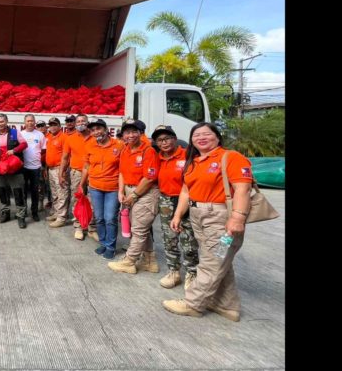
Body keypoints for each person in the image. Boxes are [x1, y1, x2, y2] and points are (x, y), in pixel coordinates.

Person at [162, 122, 253, 322]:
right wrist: (177, 215)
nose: (201, 138)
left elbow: (242, 189)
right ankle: (227, 306)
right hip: (197, 214)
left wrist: (237, 218)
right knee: (219, 260)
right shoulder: (194, 161)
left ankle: (193, 304)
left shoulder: (231, 157)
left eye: (206, 134)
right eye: (197, 135)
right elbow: (186, 191)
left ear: (217, 137)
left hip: (220, 217)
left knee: (213, 261)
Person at [108, 119, 161, 273]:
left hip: (145, 193)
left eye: (133, 132)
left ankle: (129, 261)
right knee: (140, 227)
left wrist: (135, 195)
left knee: (138, 230)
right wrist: (121, 191)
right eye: (127, 132)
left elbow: (150, 177)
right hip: (129, 191)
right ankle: (150, 261)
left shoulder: (148, 151)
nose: (130, 135)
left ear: (140, 133)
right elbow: (122, 173)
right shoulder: (125, 149)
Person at [152, 125, 198, 289]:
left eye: (167, 138)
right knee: (169, 237)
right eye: (159, 140)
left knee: (188, 239)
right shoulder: (158, 157)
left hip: (186, 200)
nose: (163, 143)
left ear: (174, 138)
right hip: (166, 200)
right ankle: (174, 271)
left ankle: (192, 273)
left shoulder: (188, 155)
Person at [79, 119, 122, 260]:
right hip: (95, 187)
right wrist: (82, 184)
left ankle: (110, 246)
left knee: (110, 218)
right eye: (93, 130)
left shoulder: (119, 145)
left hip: (113, 188)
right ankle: (103, 243)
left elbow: (123, 169)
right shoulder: (90, 145)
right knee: (99, 218)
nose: (96, 132)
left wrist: (123, 190)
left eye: (99, 128)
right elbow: (86, 166)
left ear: (106, 129)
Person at [60, 114, 95, 240]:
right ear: (75, 124)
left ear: (87, 122)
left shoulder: (95, 137)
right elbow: (64, 158)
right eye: (78, 121)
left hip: (93, 173)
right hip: (76, 173)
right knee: (78, 199)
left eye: (83, 121)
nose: (80, 123)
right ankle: (78, 226)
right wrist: (61, 174)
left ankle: (92, 227)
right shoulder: (70, 138)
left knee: (92, 200)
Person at [0, 113, 29, 227]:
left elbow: (24, 144)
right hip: (1, 168)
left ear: (6, 121)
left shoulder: (14, 132)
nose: (0, 124)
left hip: (14, 168)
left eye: (2, 121)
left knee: (18, 191)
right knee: (2, 190)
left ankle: (20, 216)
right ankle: (5, 213)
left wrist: (14, 150)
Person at [21, 114, 47, 222]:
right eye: (28, 121)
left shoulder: (40, 135)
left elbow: (44, 150)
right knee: (23, 191)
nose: (30, 123)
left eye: (32, 121)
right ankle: (23, 211)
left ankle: (34, 212)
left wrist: (42, 165)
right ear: (24, 123)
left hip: (36, 168)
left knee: (35, 191)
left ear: (34, 122)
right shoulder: (21, 134)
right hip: (23, 167)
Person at [44, 117, 69, 228]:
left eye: (55, 124)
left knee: (62, 193)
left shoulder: (64, 137)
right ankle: (56, 212)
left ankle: (61, 218)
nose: (52, 127)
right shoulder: (48, 136)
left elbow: (67, 156)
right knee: (54, 192)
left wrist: (63, 171)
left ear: (59, 126)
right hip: (50, 168)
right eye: (51, 125)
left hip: (60, 168)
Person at [35, 120, 52, 212]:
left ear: (46, 127)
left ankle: (51, 202)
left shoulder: (50, 136)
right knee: (40, 185)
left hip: (49, 165)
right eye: (39, 126)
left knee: (50, 184)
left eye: (42, 126)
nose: (41, 128)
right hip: (39, 164)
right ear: (36, 127)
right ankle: (40, 202)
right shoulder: (35, 136)